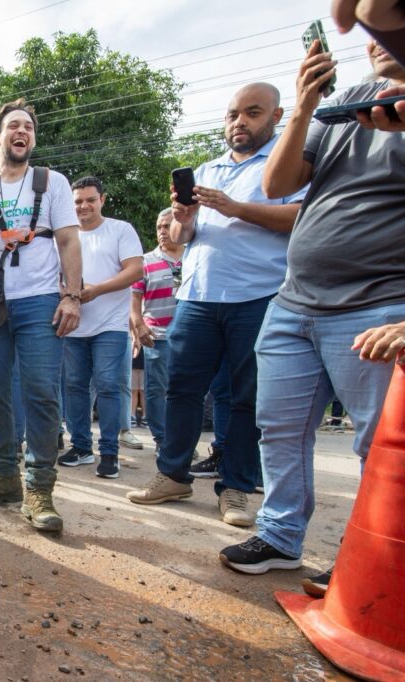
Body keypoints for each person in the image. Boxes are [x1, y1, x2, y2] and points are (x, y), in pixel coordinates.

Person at [219, 40, 405, 576]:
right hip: (294, 301)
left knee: (379, 444)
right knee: (279, 428)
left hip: (378, 305)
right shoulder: (345, 102)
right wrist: (303, 104)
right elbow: (277, 183)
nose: (371, 33)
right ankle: (280, 535)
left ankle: (371, 561)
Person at [126, 82, 305, 527]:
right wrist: (184, 221)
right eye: (232, 115)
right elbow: (184, 238)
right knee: (181, 390)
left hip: (259, 296)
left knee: (246, 398)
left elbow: (300, 217)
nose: (239, 122)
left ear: (276, 116)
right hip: (197, 296)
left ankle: (236, 489)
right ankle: (173, 475)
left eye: (252, 113)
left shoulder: (287, 166)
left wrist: (234, 207)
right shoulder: (209, 169)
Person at [0, 99, 81, 532]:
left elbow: (68, 240)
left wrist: (72, 297)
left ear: (33, 139)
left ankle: (39, 486)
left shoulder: (52, 182)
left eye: (28, 127)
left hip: (41, 300)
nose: (21, 131)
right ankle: (5, 475)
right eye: (13, 126)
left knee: (41, 391)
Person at [60, 177, 143, 479]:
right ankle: (81, 447)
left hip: (110, 326)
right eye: (78, 201)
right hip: (73, 325)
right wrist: (66, 293)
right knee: (74, 387)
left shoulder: (120, 230)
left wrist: (97, 290)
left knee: (108, 386)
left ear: (102, 200)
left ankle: (109, 452)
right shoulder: (64, 235)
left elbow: (136, 270)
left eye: (90, 200)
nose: (83, 206)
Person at [130, 208, 184, 454]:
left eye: (167, 226)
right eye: (159, 227)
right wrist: (139, 326)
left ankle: (181, 440)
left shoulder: (194, 257)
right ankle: (163, 440)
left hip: (189, 336)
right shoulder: (145, 261)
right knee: (155, 390)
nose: (162, 231)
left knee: (185, 390)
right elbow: (134, 301)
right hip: (157, 336)